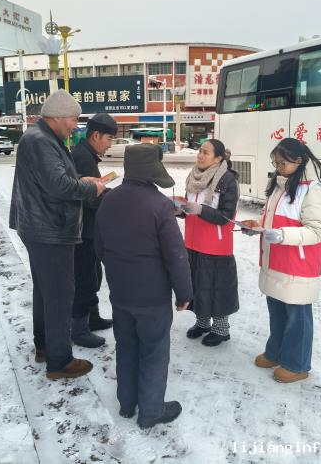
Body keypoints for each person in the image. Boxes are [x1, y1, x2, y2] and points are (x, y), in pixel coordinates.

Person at [94, 143, 193, 429]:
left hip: (120, 292)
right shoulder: (160, 206)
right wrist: (184, 293)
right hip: (152, 296)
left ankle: (127, 403)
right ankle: (151, 411)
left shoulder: (108, 200)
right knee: (153, 351)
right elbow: (176, 256)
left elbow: (99, 247)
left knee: (126, 346)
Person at [9, 89, 105, 380]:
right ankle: (60, 361)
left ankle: (45, 347)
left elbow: (54, 179)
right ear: (59, 116)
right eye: (74, 120)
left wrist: (79, 179)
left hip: (40, 227)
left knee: (45, 292)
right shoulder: (41, 141)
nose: (76, 126)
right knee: (60, 295)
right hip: (50, 230)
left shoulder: (40, 138)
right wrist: (91, 187)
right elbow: (59, 186)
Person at [242, 138, 321, 383]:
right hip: (276, 261)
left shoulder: (312, 190)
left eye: (283, 163)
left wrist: (282, 235)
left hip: (297, 267)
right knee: (277, 313)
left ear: (299, 161)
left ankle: (297, 364)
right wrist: (257, 225)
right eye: (276, 162)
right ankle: (276, 352)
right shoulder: (280, 185)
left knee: (297, 319)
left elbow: (316, 231)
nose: (278, 167)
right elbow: (271, 220)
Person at [182, 139, 240, 346]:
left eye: (206, 152)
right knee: (198, 285)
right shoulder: (193, 176)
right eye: (200, 151)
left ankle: (221, 329)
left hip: (216, 245)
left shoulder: (227, 180)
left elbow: (226, 216)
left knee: (217, 288)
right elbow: (191, 206)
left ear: (218, 158)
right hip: (193, 241)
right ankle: (202, 323)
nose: (200, 155)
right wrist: (180, 209)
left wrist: (200, 210)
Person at [70, 114, 118, 348]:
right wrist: (112, 199)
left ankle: (93, 317)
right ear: (96, 136)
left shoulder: (84, 154)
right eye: (109, 139)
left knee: (92, 275)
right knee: (84, 278)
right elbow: (89, 197)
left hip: (87, 228)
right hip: (82, 231)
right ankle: (79, 330)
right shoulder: (83, 158)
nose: (110, 145)